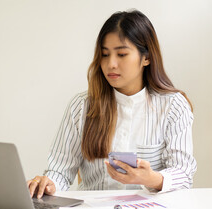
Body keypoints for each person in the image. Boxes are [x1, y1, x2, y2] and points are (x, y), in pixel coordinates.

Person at [27, 10, 197, 199]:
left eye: (122, 54)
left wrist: (152, 179)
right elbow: (58, 173)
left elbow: (183, 174)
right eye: (105, 54)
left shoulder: (173, 106)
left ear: (146, 58)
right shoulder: (81, 106)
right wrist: (47, 184)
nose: (111, 64)